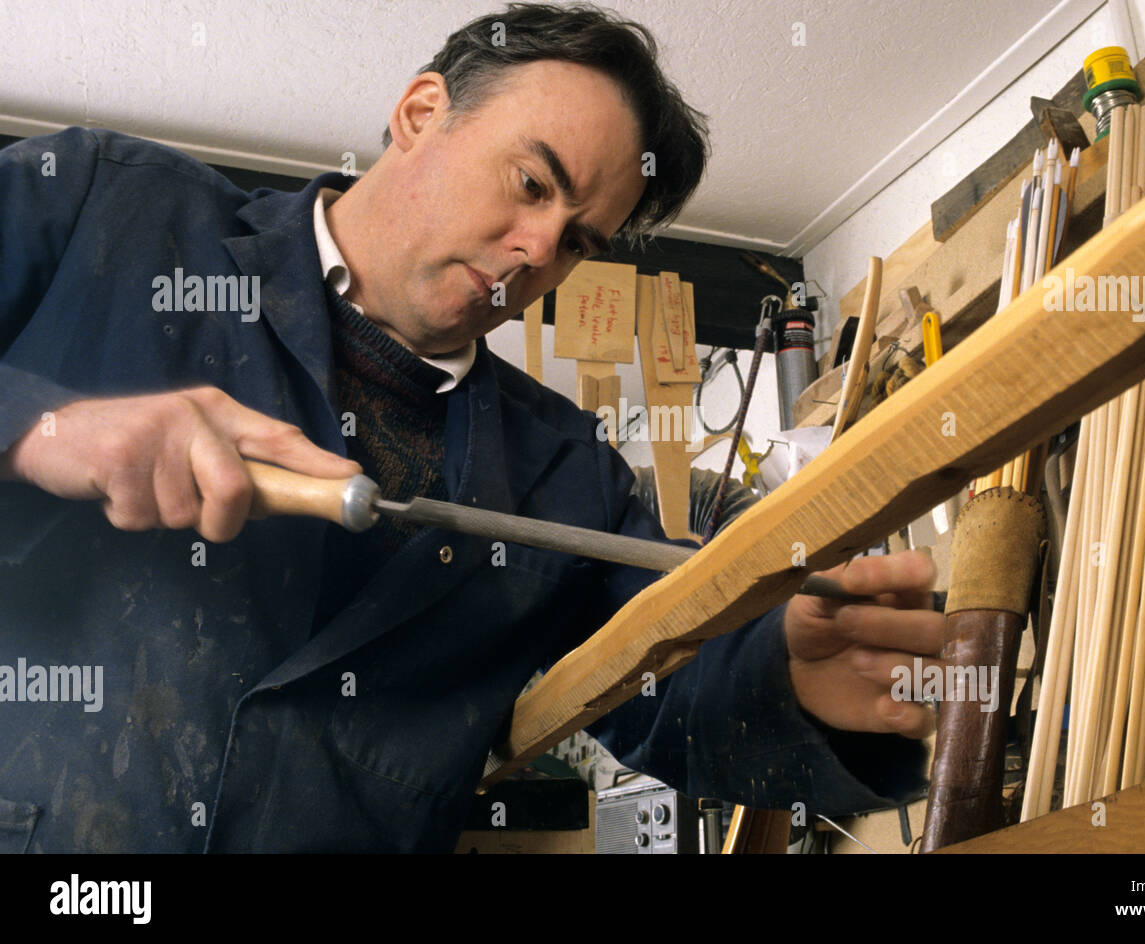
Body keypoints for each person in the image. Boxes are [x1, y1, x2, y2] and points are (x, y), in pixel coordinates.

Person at [0, 2, 942, 852]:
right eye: (533, 183)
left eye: (578, 240)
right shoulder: (102, 207)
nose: (539, 251)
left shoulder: (569, 476)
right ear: (419, 115)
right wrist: (43, 430)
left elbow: (665, 676)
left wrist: (796, 681)